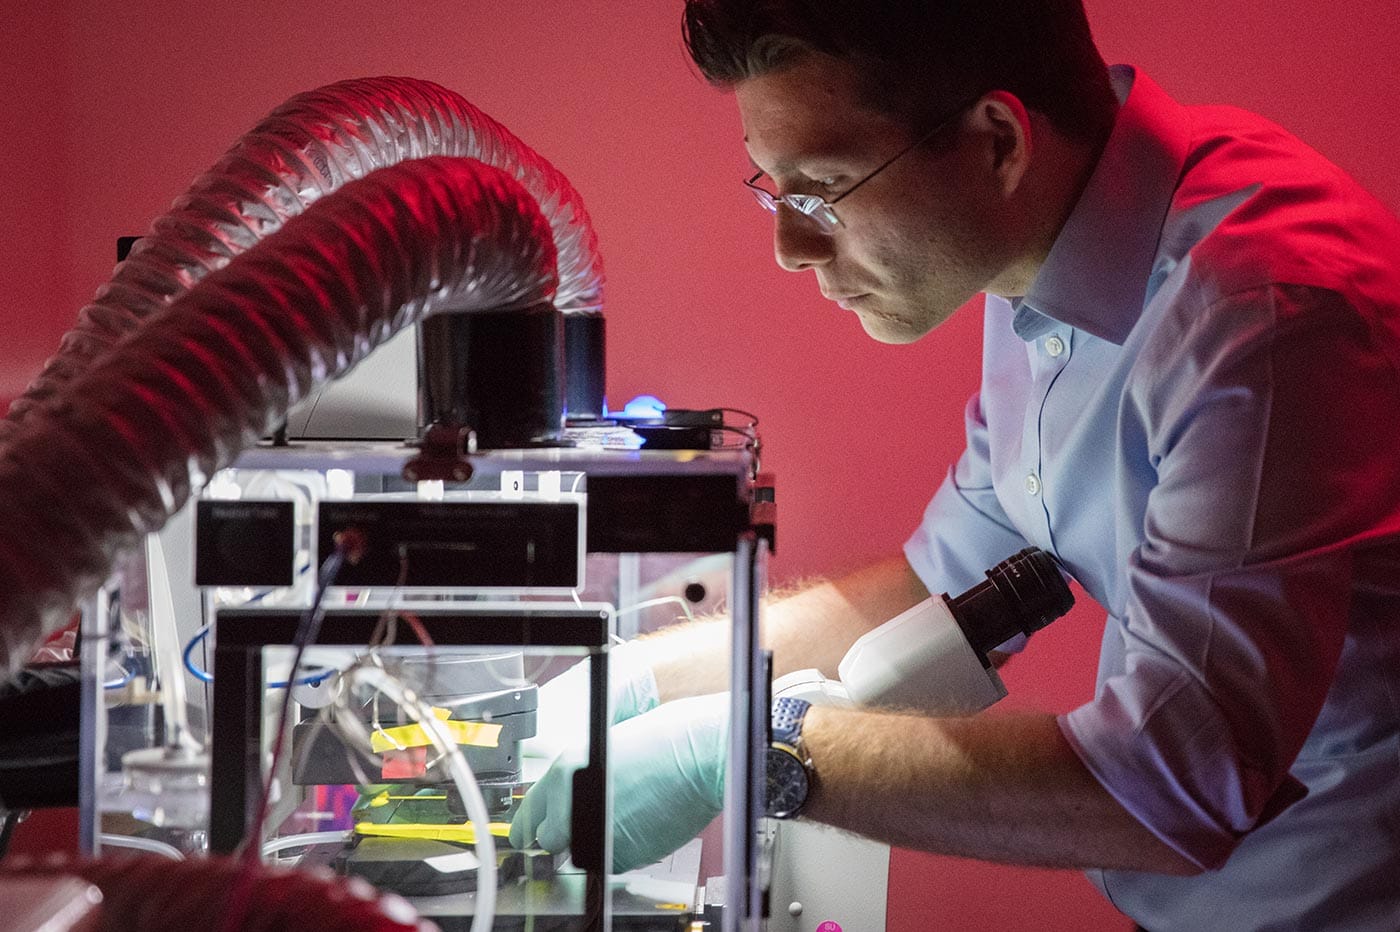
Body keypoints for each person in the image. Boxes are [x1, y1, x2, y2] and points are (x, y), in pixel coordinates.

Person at [511, 2, 1400, 928]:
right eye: (777, 191)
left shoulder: (1259, 314)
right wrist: (629, 683)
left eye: (825, 188)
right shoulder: (1048, 250)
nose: (790, 249)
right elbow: (937, 581)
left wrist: (749, 750)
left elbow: (1172, 784)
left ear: (998, 143)